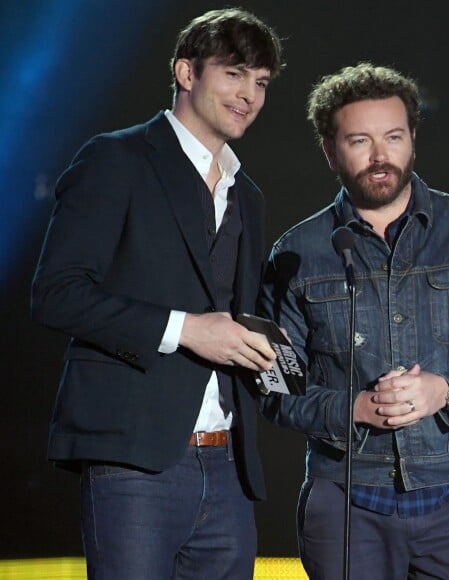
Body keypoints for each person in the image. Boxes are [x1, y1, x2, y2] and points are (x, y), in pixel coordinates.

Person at [260, 62, 449, 579]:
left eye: (393, 137)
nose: (379, 156)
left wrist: (448, 390)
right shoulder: (297, 252)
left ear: (413, 138)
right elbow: (273, 388)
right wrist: (356, 408)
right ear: (329, 151)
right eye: (359, 140)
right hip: (347, 504)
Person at [31, 8, 282, 580]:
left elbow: (238, 316)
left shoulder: (249, 197)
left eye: (261, 82)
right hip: (133, 460)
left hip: (229, 466)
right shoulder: (115, 159)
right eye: (235, 74)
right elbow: (57, 293)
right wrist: (187, 329)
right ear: (187, 72)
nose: (249, 94)